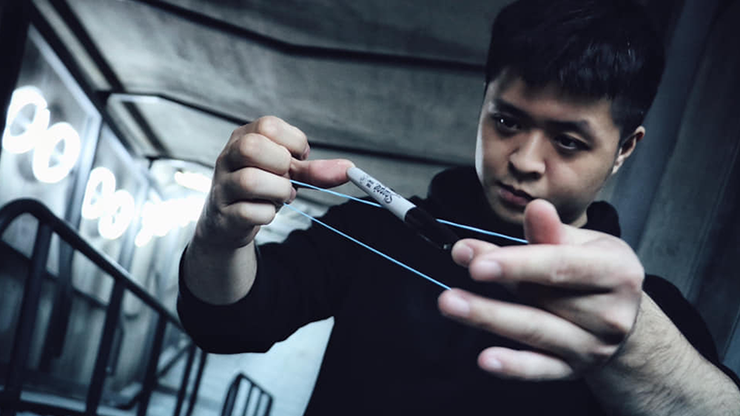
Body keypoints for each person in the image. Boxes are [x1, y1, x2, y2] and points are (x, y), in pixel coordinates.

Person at [178, 0, 740, 414]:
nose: (524, 160)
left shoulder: (656, 311)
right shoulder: (373, 228)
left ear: (623, 150)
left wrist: (635, 345)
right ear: (483, 102)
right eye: (507, 121)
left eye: (568, 141)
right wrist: (220, 234)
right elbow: (227, 325)